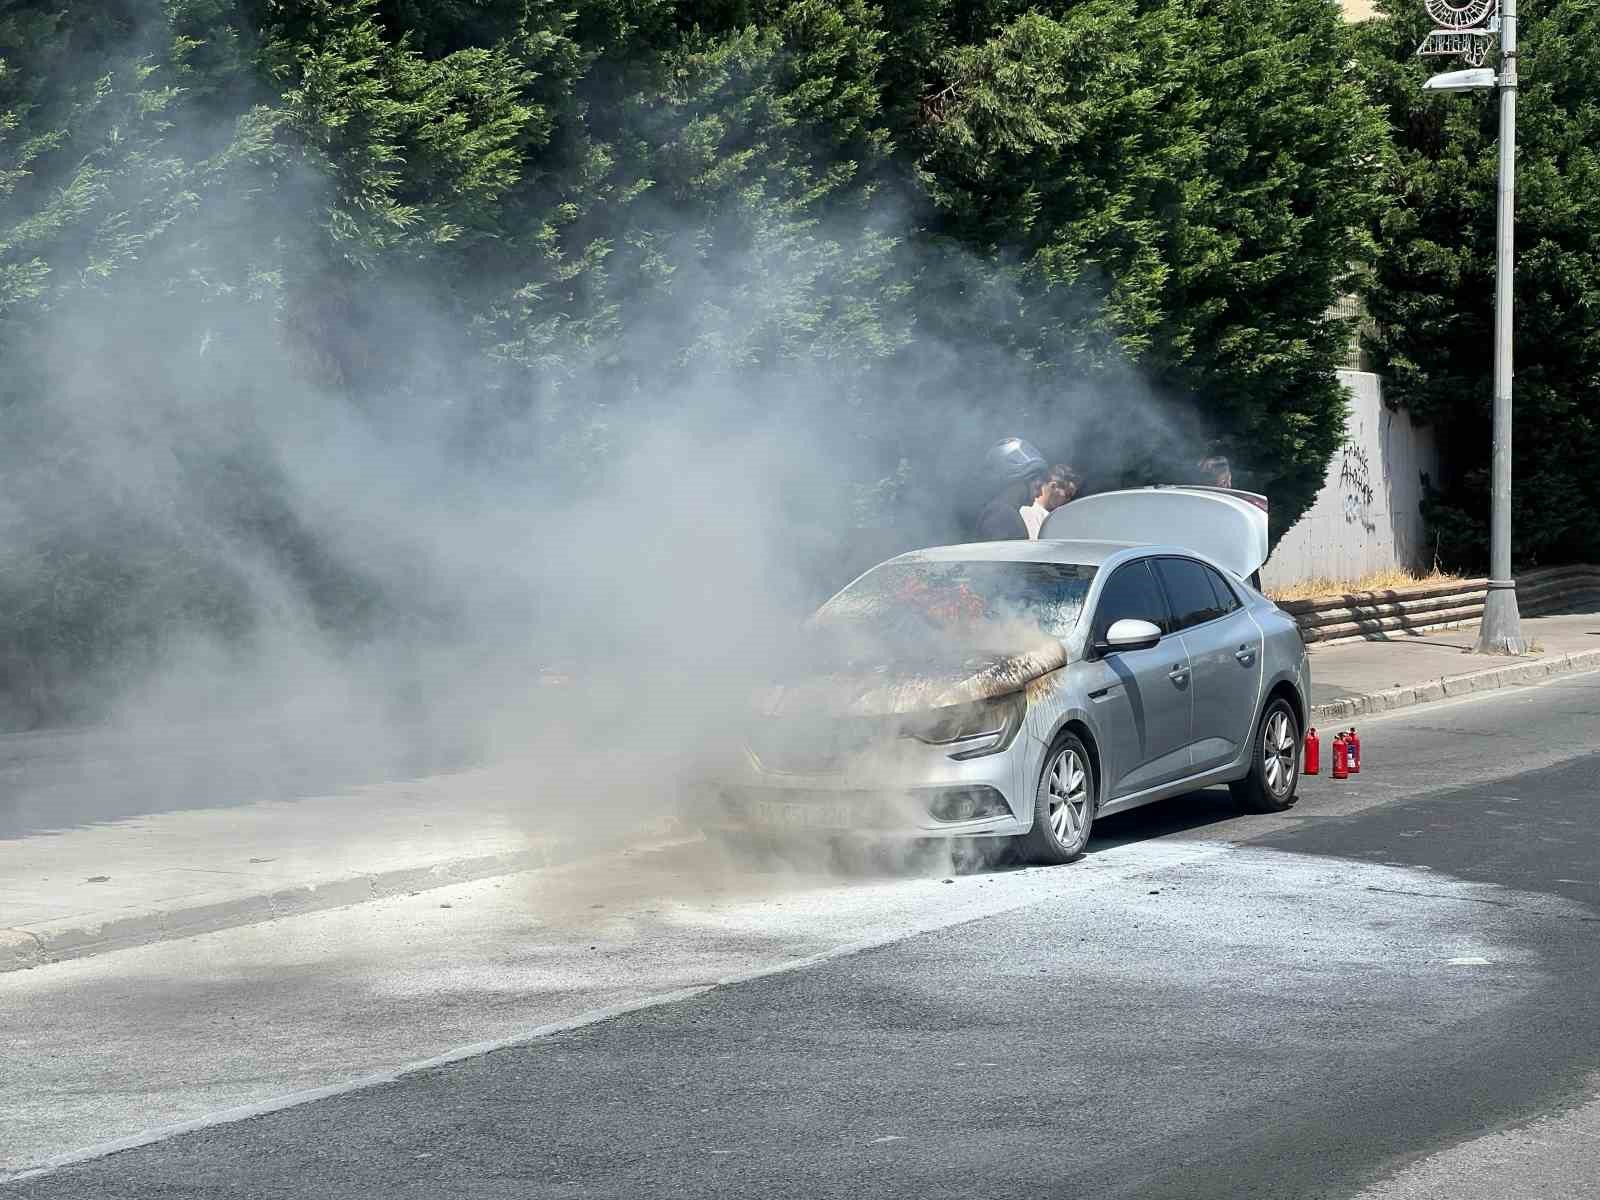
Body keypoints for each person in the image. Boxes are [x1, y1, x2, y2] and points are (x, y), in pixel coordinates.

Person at [973, 437, 1046, 541]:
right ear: (1019, 480)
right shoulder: (1001, 516)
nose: (1040, 494)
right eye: (1037, 486)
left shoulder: (1001, 512)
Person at [1020, 465, 1079, 538]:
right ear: (1053, 486)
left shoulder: (1022, 509)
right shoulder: (1029, 513)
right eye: (1068, 494)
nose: (1068, 500)